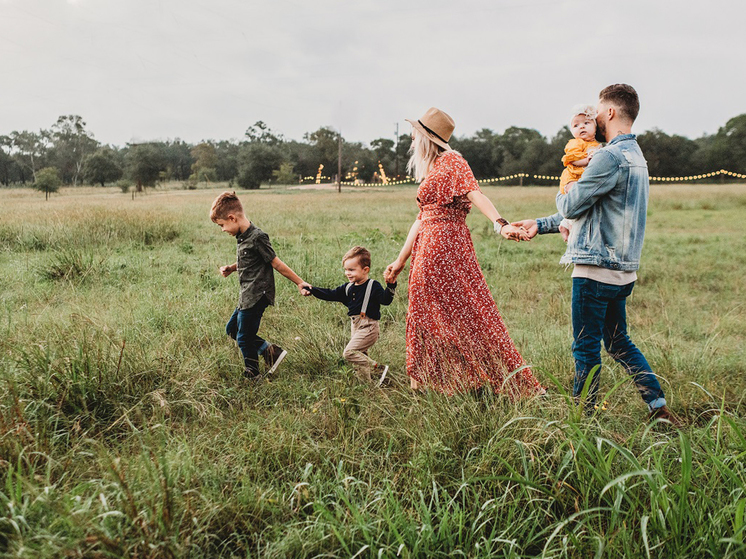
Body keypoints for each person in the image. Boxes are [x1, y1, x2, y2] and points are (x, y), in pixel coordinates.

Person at [512, 84, 677, 424]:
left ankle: (582, 422)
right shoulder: (637, 158)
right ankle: (657, 408)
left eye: (598, 111)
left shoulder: (607, 156)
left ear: (612, 112)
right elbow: (593, 210)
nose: (594, 117)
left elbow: (572, 203)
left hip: (594, 269)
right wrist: (541, 224)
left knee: (585, 348)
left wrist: (566, 189)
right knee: (618, 343)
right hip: (623, 271)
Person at [384, 107, 544, 397]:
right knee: (425, 310)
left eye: (414, 133)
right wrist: (399, 260)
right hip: (428, 244)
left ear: (426, 137)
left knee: (467, 311)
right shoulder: (432, 168)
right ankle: (428, 381)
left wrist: (500, 224)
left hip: (445, 245)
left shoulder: (452, 161)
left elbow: (475, 193)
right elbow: (421, 218)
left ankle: (479, 377)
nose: (410, 138)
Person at [211, 191, 311, 380]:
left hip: (257, 295)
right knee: (232, 329)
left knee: (244, 337)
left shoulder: (258, 237)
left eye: (222, 225)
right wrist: (232, 268)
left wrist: (300, 282)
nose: (222, 229)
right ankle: (270, 352)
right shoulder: (242, 237)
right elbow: (249, 262)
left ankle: (253, 374)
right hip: (246, 294)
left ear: (232, 218)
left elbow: (276, 263)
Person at [305, 246, 396, 386]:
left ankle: (378, 369)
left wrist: (391, 285)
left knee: (349, 353)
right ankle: (367, 385)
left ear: (365, 270)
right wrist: (312, 290)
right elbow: (330, 294)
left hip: (369, 326)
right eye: (346, 269)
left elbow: (386, 300)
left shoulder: (373, 286)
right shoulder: (348, 287)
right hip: (355, 326)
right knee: (360, 358)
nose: (347, 273)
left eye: (352, 270)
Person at [557, 105, 602, 241]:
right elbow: (572, 159)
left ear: (595, 127)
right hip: (572, 177)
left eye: (586, 123)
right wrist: (586, 160)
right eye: (576, 125)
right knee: (576, 197)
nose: (581, 127)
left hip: (582, 177)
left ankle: (565, 223)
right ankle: (568, 225)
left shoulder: (597, 144)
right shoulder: (576, 143)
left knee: (584, 201)